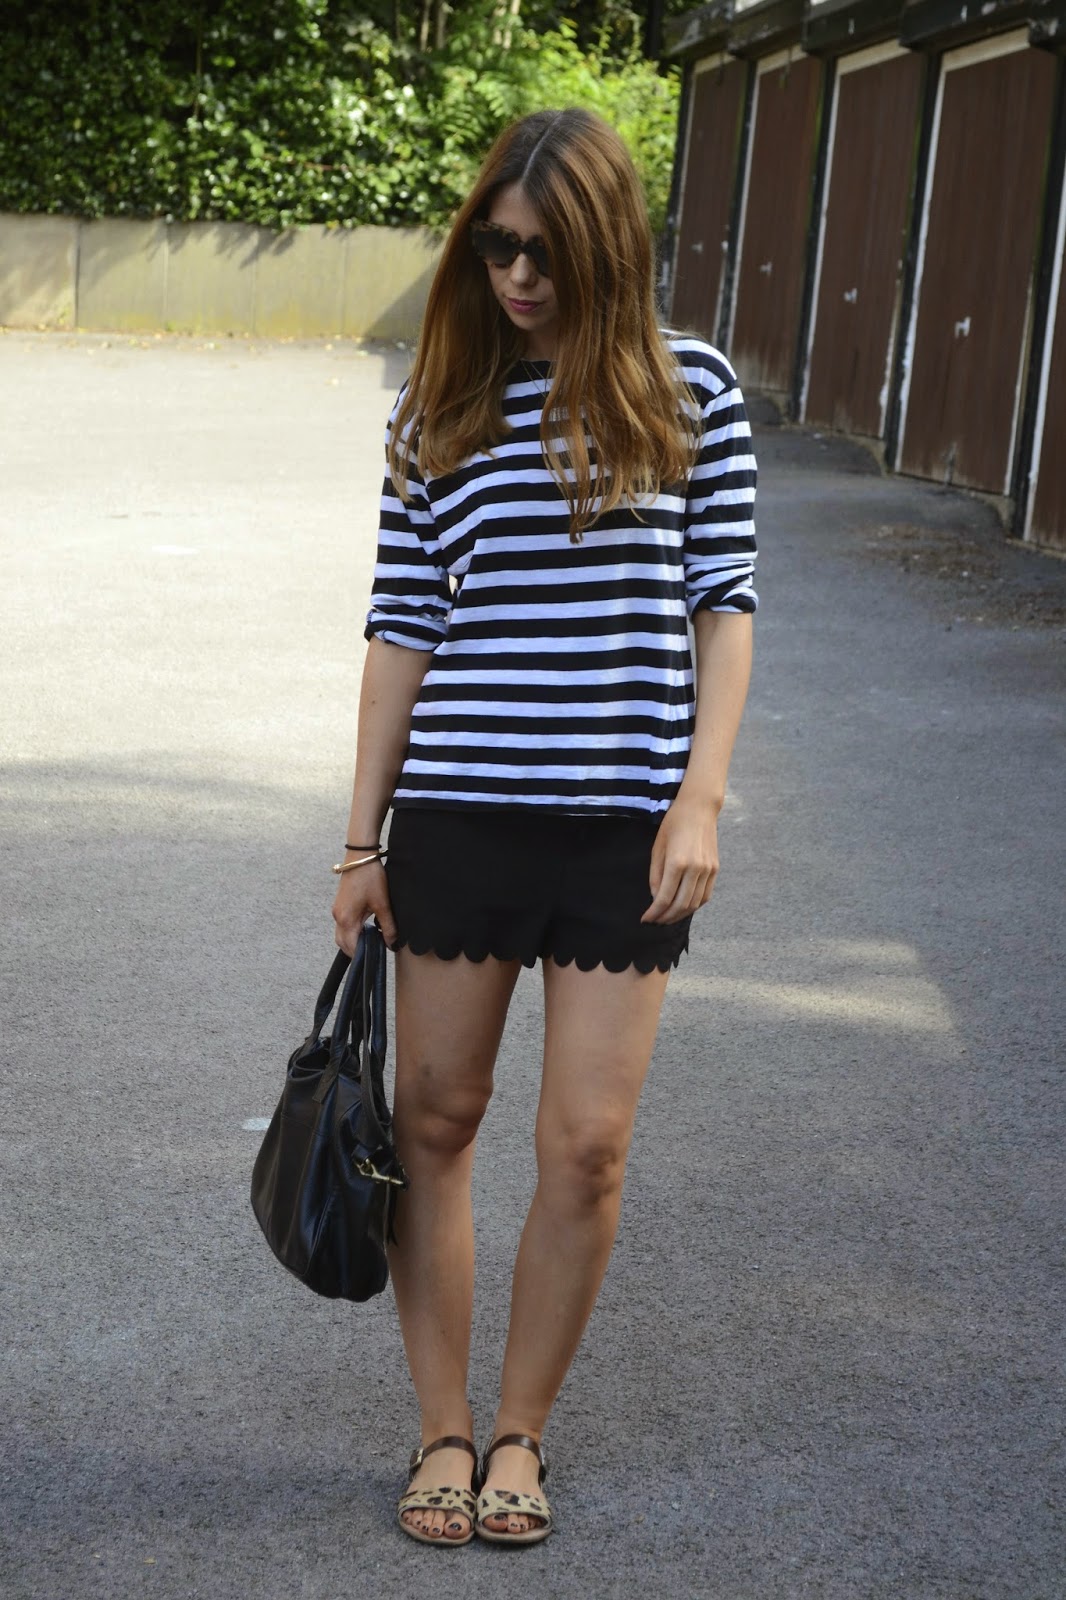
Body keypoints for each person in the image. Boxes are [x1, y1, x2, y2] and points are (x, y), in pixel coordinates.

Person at [331, 106, 757, 1548]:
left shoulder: (692, 390)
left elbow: (723, 605)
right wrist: (359, 841)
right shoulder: (438, 405)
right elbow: (401, 628)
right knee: (434, 1124)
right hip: (459, 819)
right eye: (497, 247)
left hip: (623, 834)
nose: (518, 276)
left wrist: (700, 798)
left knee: (585, 1149)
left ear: (608, 247)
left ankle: (520, 1431)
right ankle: (442, 1431)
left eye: (547, 252)